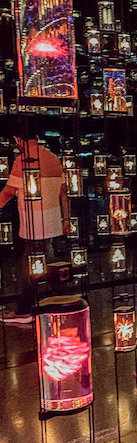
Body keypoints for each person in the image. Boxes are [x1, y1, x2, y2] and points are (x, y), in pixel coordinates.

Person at [0, 121, 70, 324]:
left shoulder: (22, 161)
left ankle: (24, 311)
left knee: (32, 267)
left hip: (33, 224)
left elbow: (8, 193)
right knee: (48, 262)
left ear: (18, 140)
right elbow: (63, 194)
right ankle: (63, 301)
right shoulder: (54, 159)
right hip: (52, 221)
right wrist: (66, 219)